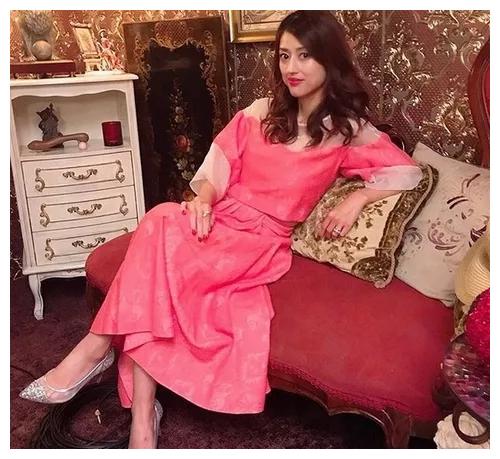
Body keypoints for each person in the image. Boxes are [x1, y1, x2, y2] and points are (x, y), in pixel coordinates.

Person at [19, 11, 422, 448]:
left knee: (160, 270)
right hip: (220, 218)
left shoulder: (346, 131)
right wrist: (204, 201)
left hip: (259, 242)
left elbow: (406, 172)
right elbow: (217, 170)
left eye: (305, 55)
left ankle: (105, 361)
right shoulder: (260, 114)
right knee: (161, 220)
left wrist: (357, 197)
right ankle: (133, 404)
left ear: (329, 60)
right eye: (284, 55)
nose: (291, 67)